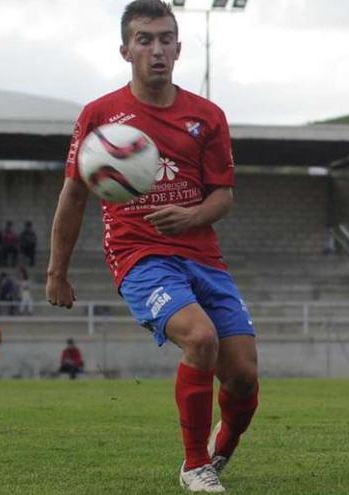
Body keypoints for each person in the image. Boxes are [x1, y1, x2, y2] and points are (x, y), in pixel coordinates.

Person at [46, 1, 258, 492]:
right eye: (145, 39)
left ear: (179, 48)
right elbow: (74, 193)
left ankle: (220, 449)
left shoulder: (207, 116)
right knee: (200, 339)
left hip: (203, 256)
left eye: (165, 39)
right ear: (126, 49)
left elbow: (222, 195)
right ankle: (194, 464)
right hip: (138, 255)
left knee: (243, 377)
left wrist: (191, 216)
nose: (156, 49)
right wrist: (58, 271)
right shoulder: (100, 116)